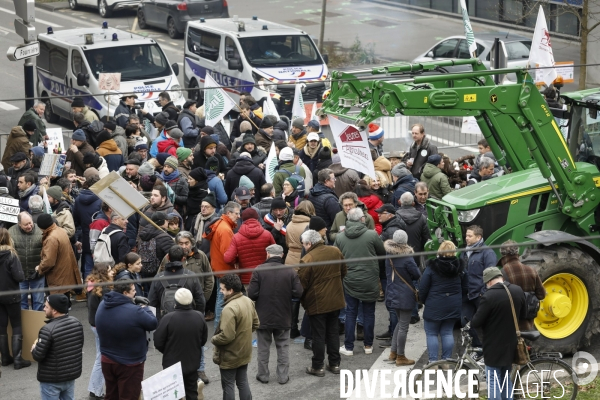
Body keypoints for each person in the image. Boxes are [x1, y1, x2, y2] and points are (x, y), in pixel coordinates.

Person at [248, 244, 303, 384]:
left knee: (263, 347)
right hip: (284, 315)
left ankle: (263, 375)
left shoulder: (259, 270)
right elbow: (298, 292)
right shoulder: (290, 271)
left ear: (267, 254)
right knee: (283, 346)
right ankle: (283, 376)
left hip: (263, 316)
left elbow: (252, 294)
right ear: (282, 255)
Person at [96, 278, 158, 400]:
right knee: (129, 396)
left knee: (111, 395)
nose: (136, 293)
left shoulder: (103, 304)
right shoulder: (136, 311)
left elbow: (120, 307)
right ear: (125, 293)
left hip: (107, 360)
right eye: (133, 291)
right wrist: (145, 308)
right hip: (130, 364)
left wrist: (133, 300)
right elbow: (152, 323)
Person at [335, 207, 386, 356]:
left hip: (349, 279)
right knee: (369, 312)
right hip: (369, 278)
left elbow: (336, 256)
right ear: (362, 219)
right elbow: (381, 253)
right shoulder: (372, 235)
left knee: (351, 312)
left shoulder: (340, 237)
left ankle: (349, 346)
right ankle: (368, 345)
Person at [472, 267, 526, 400]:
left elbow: (476, 322)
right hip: (511, 343)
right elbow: (524, 315)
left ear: (489, 281)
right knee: (506, 379)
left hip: (493, 346)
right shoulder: (517, 290)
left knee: (493, 380)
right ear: (500, 277)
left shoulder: (489, 296)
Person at [299, 229, 346, 376]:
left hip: (317, 303)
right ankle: (335, 364)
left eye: (304, 245)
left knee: (318, 335)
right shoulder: (335, 251)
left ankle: (318, 366)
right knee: (332, 332)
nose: (304, 248)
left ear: (309, 243)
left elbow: (301, 284)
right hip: (335, 299)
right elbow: (344, 271)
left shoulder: (308, 259)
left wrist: (303, 300)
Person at [212, 273, 260, 400]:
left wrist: (213, 339)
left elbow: (226, 336)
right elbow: (256, 323)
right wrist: (243, 334)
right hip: (244, 351)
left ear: (230, 290)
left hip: (230, 355)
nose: (221, 291)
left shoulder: (229, 308)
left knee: (228, 385)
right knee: (242, 382)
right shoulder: (248, 301)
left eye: (222, 289)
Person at [154, 288, 208, 400]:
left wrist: (168, 351)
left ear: (176, 301)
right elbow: (203, 340)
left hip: (172, 363)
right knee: (191, 392)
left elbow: (158, 342)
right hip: (192, 362)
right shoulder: (199, 316)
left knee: (173, 393)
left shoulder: (168, 318)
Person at [418, 241, 467, 363]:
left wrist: (425, 301)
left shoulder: (432, 267)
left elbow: (423, 288)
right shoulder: (460, 268)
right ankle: (446, 361)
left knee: (432, 333)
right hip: (453, 305)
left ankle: (433, 362)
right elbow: (465, 287)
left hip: (434, 304)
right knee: (447, 332)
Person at [31, 294, 84, 399]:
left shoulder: (47, 330)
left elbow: (38, 356)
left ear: (54, 310)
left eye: (46, 307)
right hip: (70, 377)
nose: (43, 309)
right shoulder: (76, 323)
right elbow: (78, 346)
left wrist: (34, 348)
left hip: (51, 380)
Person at [384, 230, 421, 366]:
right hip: (404, 295)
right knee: (404, 326)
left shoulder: (389, 255)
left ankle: (393, 352)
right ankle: (400, 356)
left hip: (392, 293)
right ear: (405, 241)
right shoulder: (407, 257)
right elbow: (416, 274)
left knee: (399, 323)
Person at [460, 225, 497, 352]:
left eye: (470, 236)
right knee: (465, 320)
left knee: (485, 323)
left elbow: (492, 275)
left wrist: (483, 293)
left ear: (479, 237)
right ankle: (477, 347)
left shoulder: (487, 253)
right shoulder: (465, 252)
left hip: (479, 295)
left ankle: (488, 349)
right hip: (466, 294)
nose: (467, 238)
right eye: (466, 235)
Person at [203, 202, 240, 328]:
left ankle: (218, 327)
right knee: (221, 298)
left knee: (220, 296)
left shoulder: (221, 225)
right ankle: (219, 327)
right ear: (229, 213)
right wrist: (236, 261)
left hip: (219, 267)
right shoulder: (225, 229)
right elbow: (228, 254)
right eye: (236, 213)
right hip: (225, 269)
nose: (238, 216)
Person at [498, 240, 546, 331]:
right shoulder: (532, 270)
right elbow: (542, 295)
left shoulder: (501, 274)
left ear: (502, 254)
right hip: (528, 324)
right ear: (517, 252)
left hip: (510, 326)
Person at [0, 227, 30, 370]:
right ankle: (18, 359)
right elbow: (19, 277)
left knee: (1, 326)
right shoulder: (11, 255)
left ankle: (5, 357)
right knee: (16, 325)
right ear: (7, 238)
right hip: (11, 294)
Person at [148, 245, 205, 317]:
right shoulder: (191, 276)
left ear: (168, 257)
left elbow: (152, 303)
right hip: (187, 320)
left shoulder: (158, 278)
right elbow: (200, 301)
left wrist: (158, 322)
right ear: (183, 259)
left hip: (165, 321)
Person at [224, 208, 275, 286]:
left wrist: (237, 260)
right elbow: (275, 254)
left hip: (247, 279)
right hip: (266, 277)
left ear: (243, 220)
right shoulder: (267, 234)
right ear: (257, 218)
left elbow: (228, 259)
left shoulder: (237, 237)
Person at [86, 263, 114, 400]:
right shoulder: (104, 289)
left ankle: (94, 388)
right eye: (109, 270)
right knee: (101, 358)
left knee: (100, 356)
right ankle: (96, 390)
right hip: (101, 326)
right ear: (104, 273)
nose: (112, 272)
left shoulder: (92, 285)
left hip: (95, 325)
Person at [35, 214, 81, 295]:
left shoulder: (51, 238)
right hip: (64, 276)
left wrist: (40, 268)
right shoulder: (61, 230)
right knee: (64, 301)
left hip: (57, 278)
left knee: (56, 305)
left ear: (41, 227)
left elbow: (49, 262)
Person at [9, 212, 44, 311]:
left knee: (39, 302)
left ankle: (38, 324)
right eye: (25, 224)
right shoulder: (11, 232)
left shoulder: (41, 230)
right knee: (21, 302)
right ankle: (24, 325)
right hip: (20, 274)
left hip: (38, 272)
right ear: (19, 224)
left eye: (30, 223)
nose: (29, 226)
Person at [308, 169, 342, 234]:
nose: (335, 180)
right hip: (329, 233)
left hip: (317, 231)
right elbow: (337, 220)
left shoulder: (312, 192)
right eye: (333, 178)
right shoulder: (330, 200)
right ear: (326, 181)